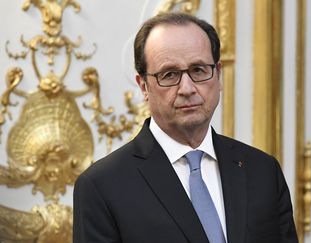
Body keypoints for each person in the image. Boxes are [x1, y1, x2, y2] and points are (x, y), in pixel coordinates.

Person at [73, 12, 298, 243]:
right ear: (144, 87)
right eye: (169, 75)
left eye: (199, 70)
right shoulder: (102, 186)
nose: (187, 88)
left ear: (218, 75)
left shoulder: (263, 171)